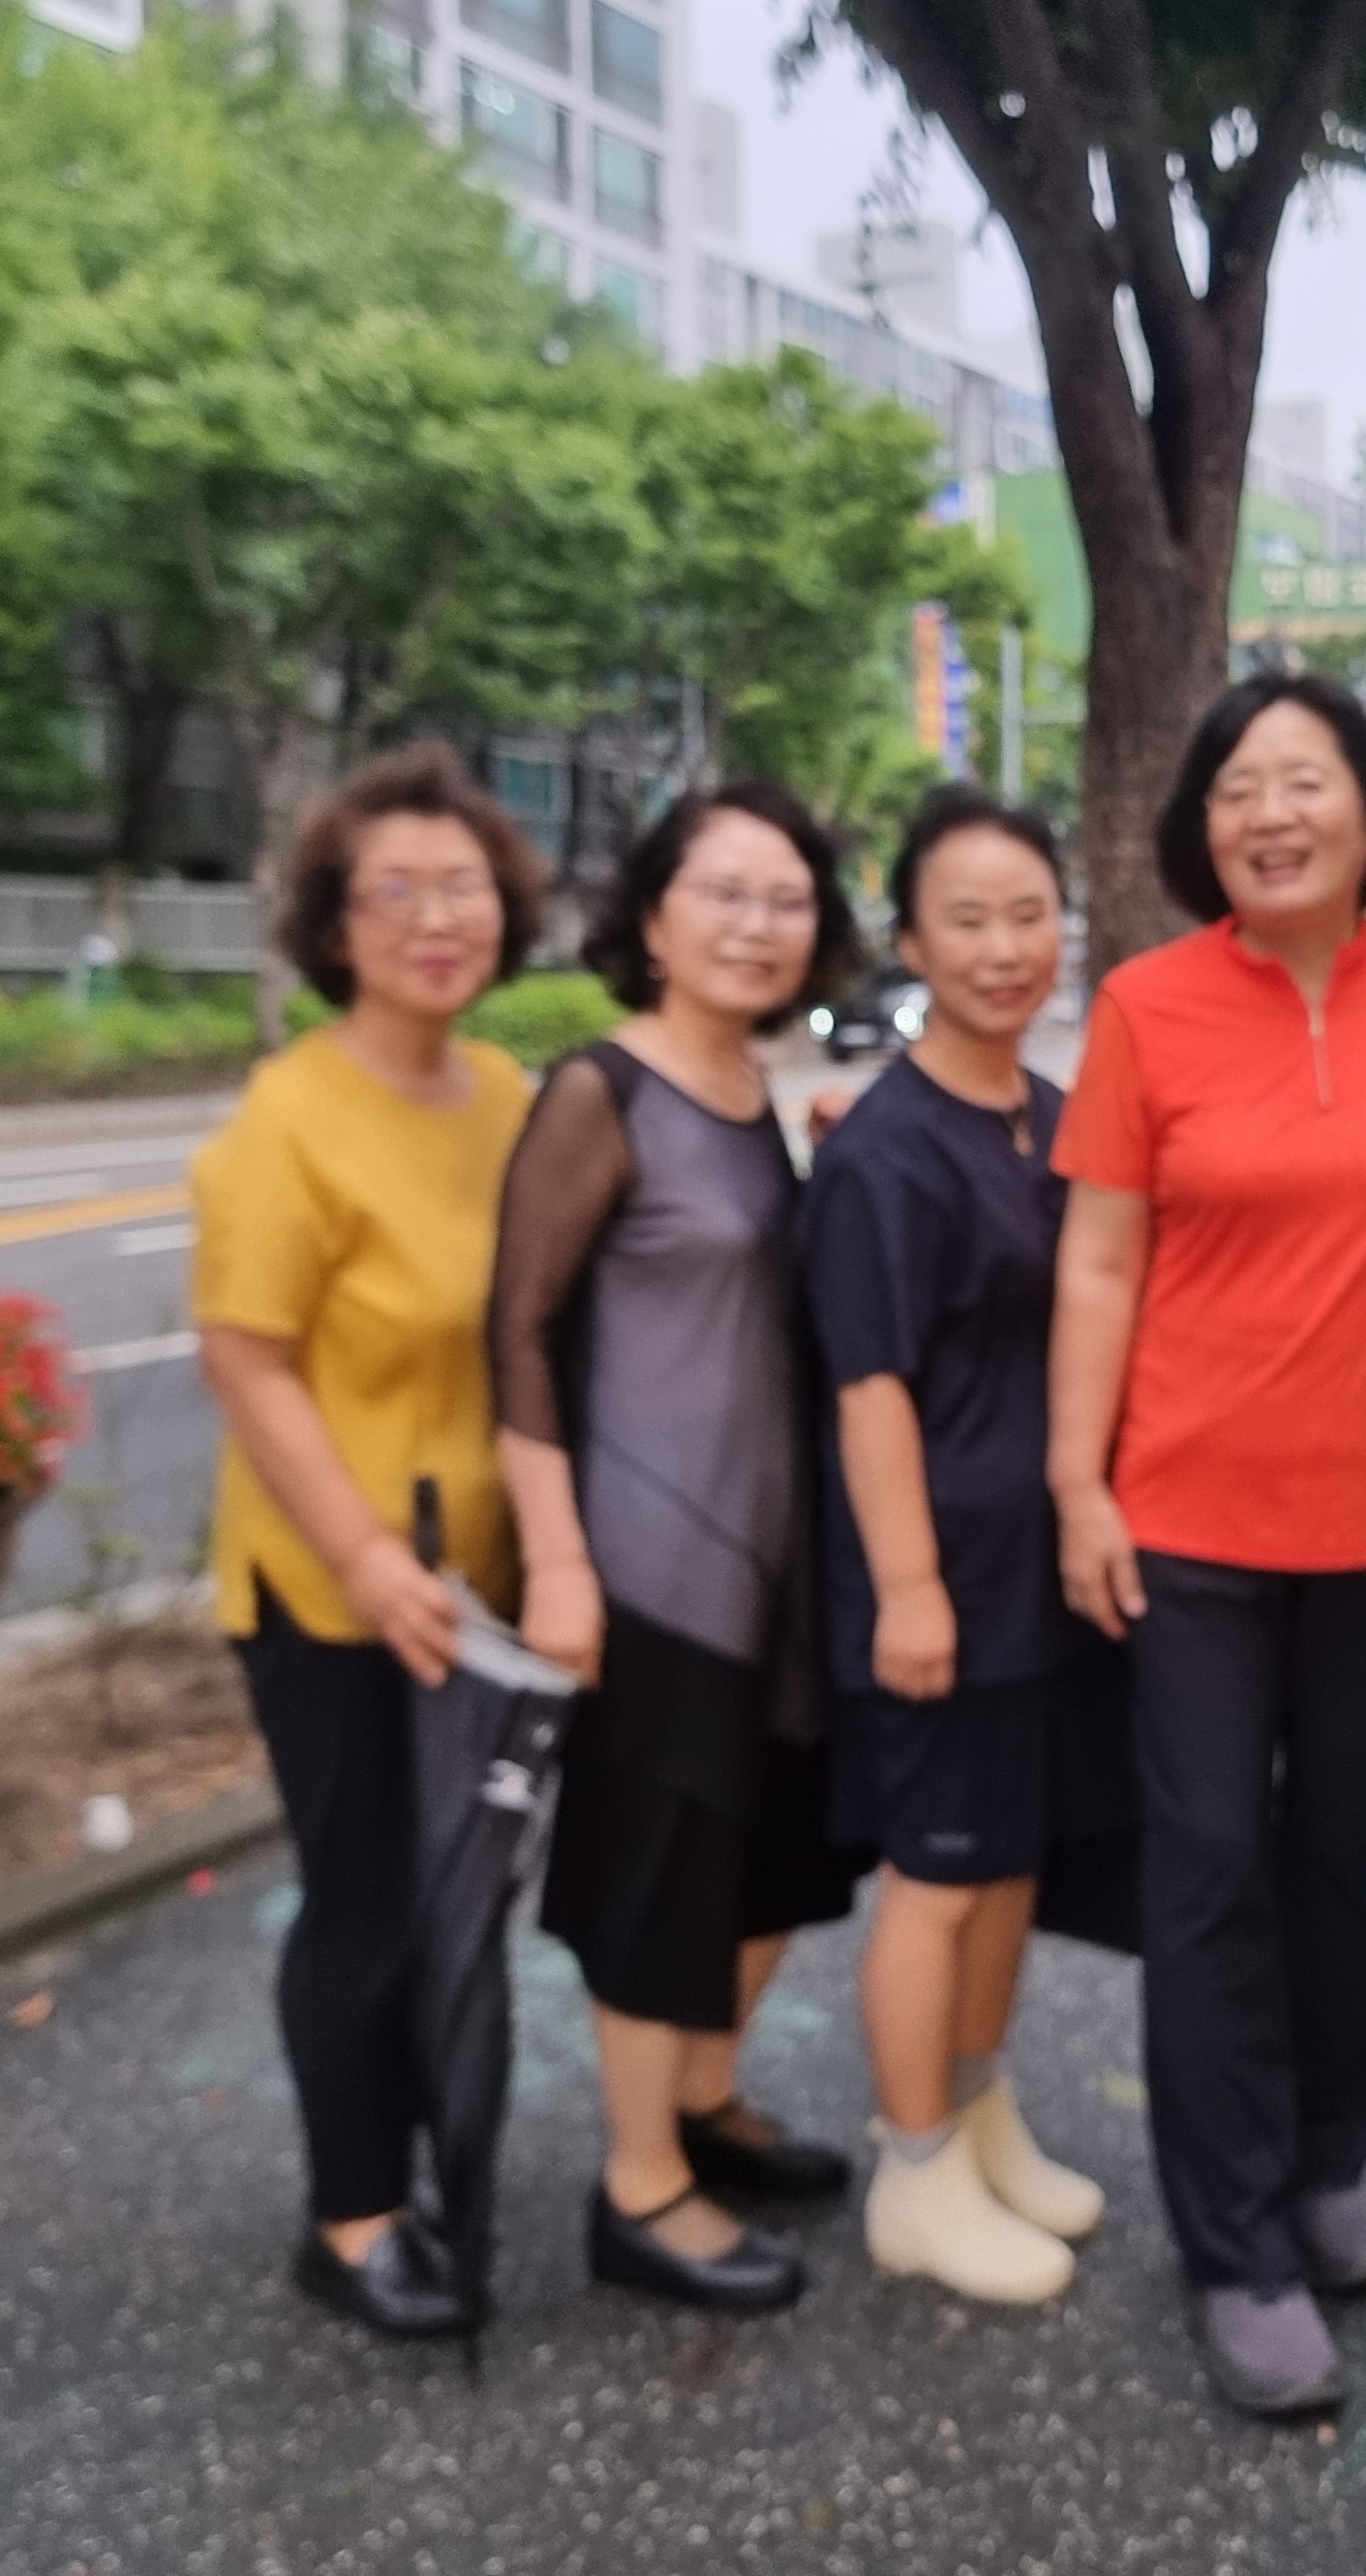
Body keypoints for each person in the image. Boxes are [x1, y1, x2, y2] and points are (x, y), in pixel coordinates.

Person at [1048, 668, 1366, 2417]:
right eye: (1237, 787)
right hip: (1188, 1522)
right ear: (1202, 829)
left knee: (1338, 1861)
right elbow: (1100, 1261)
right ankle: (1236, 2244)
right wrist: (1079, 1486)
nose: (1268, 813)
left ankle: (1327, 2160)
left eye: (1304, 780)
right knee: (1206, 1875)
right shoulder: (1149, 1006)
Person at [491, 781, 870, 2315]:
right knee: (657, 1877)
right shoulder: (602, 1091)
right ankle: (640, 2187)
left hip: (781, 1574)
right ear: (652, 917)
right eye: (724, 892)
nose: (756, 924)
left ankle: (706, 2101)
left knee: (779, 1858)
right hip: (648, 1573)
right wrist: (555, 1562)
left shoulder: (753, 1090)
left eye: (786, 899)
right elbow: (518, 1330)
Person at [189, 742, 549, 2341]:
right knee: (365, 1899)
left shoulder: (508, 1099)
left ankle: (426, 2152)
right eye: (394, 893)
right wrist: (365, 1559)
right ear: (334, 927)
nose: (435, 921)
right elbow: (248, 1360)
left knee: (454, 1895)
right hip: (333, 1588)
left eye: (462, 888)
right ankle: (348, 2217)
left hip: (477, 1584)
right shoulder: (292, 1117)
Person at [802, 787, 1108, 2307]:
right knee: (935, 1874)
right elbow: (868, 1388)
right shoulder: (884, 1149)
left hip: (1035, 1568)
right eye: (966, 920)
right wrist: (910, 1589)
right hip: (934, 1575)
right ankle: (913, 2167)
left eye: (1028, 914)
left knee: (1007, 1864)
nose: (1003, 948)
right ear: (911, 942)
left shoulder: (1050, 1116)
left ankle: (981, 2112)